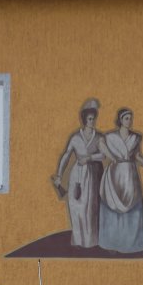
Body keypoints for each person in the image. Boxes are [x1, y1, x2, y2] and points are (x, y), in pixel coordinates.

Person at [98, 108, 143, 254]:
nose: (129, 121)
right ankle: (111, 243)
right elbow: (101, 145)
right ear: (120, 120)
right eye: (126, 118)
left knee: (133, 208)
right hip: (114, 174)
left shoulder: (135, 137)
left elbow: (138, 157)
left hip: (129, 174)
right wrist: (112, 157)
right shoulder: (110, 136)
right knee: (112, 208)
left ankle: (130, 244)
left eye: (130, 118)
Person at [51, 99, 103, 248]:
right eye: (90, 119)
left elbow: (103, 155)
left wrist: (90, 158)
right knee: (77, 207)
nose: (92, 122)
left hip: (93, 176)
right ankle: (79, 241)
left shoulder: (99, 137)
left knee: (90, 209)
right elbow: (66, 156)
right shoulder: (75, 138)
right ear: (84, 120)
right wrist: (59, 175)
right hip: (77, 176)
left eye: (94, 119)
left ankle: (91, 242)